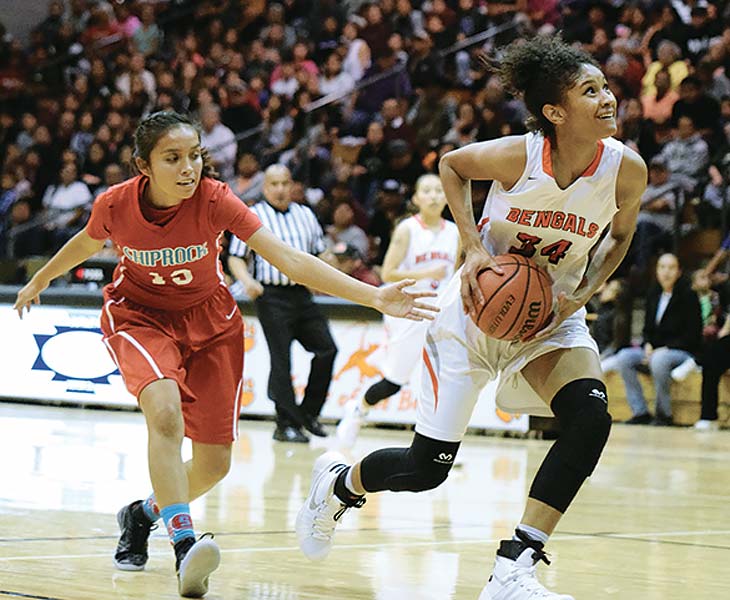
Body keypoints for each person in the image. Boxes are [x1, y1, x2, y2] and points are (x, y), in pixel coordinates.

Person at [12, 112, 436, 598]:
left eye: (195, 155)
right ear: (142, 165)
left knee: (214, 465)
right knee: (165, 416)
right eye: (173, 158)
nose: (188, 167)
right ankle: (183, 543)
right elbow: (85, 243)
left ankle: (141, 515)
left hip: (211, 322)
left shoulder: (215, 198)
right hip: (139, 317)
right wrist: (41, 278)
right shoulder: (115, 204)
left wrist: (374, 296)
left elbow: (291, 260)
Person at [296, 36, 648, 600]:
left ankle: (514, 568)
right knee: (425, 469)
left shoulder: (626, 171)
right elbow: (452, 166)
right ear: (555, 113)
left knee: (590, 418)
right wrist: (474, 248)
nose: (608, 98)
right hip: (471, 320)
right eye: (591, 91)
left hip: (549, 318)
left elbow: (622, 236)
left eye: (606, 87)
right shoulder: (521, 155)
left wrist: (584, 292)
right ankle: (339, 485)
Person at [336, 173, 460, 447]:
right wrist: (427, 271)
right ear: (416, 198)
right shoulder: (407, 229)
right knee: (394, 381)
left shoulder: (455, 231)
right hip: (408, 311)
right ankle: (358, 408)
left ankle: (439, 444)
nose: (434, 195)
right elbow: (388, 272)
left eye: (439, 190)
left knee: (443, 379)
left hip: (442, 314)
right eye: (427, 190)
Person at [226, 165, 342, 444]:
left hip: (302, 294)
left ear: (292, 186)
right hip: (271, 295)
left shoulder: (306, 215)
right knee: (282, 359)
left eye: (284, 183)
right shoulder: (254, 215)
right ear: (265, 187)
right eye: (274, 184)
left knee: (327, 349)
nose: (279, 189)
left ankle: (308, 413)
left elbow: (320, 251)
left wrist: (331, 262)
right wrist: (247, 280)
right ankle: (285, 424)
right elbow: (235, 257)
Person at [610, 254, 703, 426]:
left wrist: (664, 349)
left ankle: (663, 414)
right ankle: (640, 411)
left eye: (671, 267)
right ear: (657, 270)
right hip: (656, 351)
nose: (666, 272)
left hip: (682, 352)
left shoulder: (689, 297)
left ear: (679, 272)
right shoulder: (654, 293)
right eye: (662, 267)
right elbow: (647, 330)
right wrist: (647, 345)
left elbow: (692, 336)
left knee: (659, 360)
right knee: (624, 357)